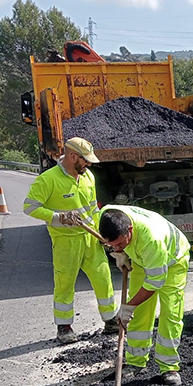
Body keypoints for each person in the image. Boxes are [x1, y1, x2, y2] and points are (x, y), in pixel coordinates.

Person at [23, 137, 117, 344]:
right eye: (85, 160)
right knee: (64, 284)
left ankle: (111, 320)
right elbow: (29, 207)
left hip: (90, 238)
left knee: (103, 279)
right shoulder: (48, 180)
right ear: (73, 156)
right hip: (66, 242)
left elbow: (94, 208)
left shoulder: (88, 177)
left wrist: (102, 232)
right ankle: (64, 327)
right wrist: (58, 217)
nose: (89, 164)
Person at [99, 205, 190, 386]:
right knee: (139, 312)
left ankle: (169, 366)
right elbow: (112, 238)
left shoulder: (152, 240)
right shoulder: (107, 215)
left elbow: (155, 282)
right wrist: (120, 252)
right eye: (112, 244)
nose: (116, 247)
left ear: (130, 230)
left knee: (170, 312)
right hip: (141, 259)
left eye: (119, 243)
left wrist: (128, 306)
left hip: (173, 260)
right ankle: (135, 361)